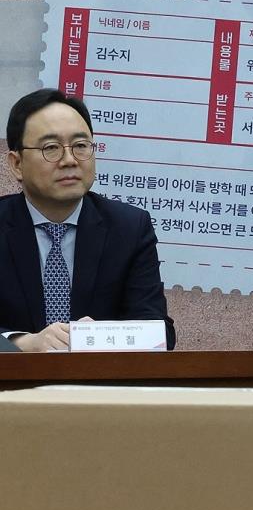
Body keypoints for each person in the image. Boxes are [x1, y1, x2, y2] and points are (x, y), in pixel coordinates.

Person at [1, 88, 175, 351]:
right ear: (16, 164)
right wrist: (23, 342)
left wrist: (101, 337)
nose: (69, 160)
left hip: (96, 388)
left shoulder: (129, 228)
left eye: (81, 146)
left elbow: (159, 331)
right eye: (51, 148)